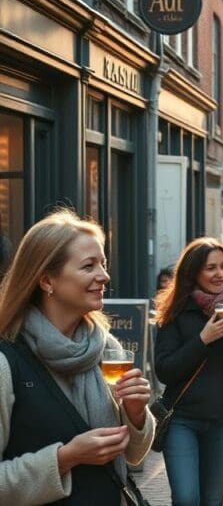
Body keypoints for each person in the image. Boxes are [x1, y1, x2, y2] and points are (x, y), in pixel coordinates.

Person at [0, 209, 154, 505]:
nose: (105, 276)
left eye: (104, 264)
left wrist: (135, 414)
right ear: (46, 281)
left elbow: (134, 455)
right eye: (88, 266)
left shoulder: (106, 348)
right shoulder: (7, 361)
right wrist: (63, 458)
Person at [154, 237, 223, 506]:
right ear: (193, 273)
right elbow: (165, 371)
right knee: (186, 498)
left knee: (212, 501)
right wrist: (203, 339)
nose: (219, 274)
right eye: (210, 268)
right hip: (182, 420)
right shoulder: (176, 312)